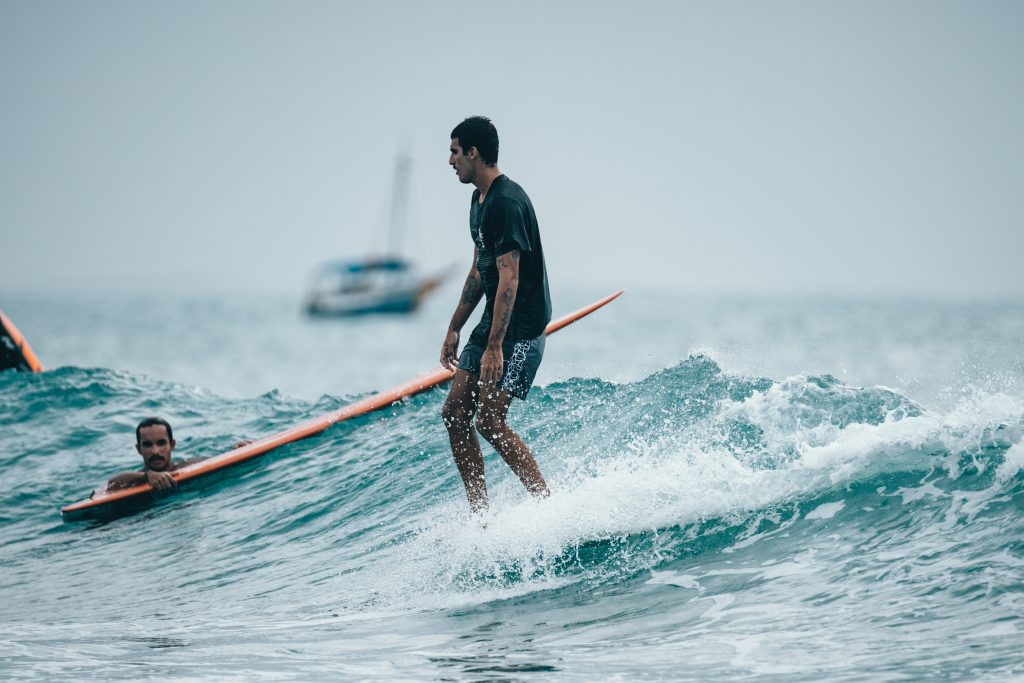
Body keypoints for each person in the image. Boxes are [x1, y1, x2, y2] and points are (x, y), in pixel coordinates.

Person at [440, 116, 553, 514]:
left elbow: (510, 278)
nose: (450, 160)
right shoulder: (479, 200)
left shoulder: (506, 202)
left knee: (489, 420)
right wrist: (454, 327)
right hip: (495, 321)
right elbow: (479, 271)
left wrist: (494, 347)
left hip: (521, 329)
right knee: (455, 413)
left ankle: (546, 506)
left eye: (454, 151)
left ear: (473, 152)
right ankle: (480, 517)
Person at [105, 417, 251, 492]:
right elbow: (112, 482)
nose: (155, 451)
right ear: (139, 449)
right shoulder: (136, 478)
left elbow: (219, 460)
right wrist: (147, 476)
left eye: (161, 443)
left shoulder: (189, 465)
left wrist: (238, 450)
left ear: (172, 445)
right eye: (148, 445)